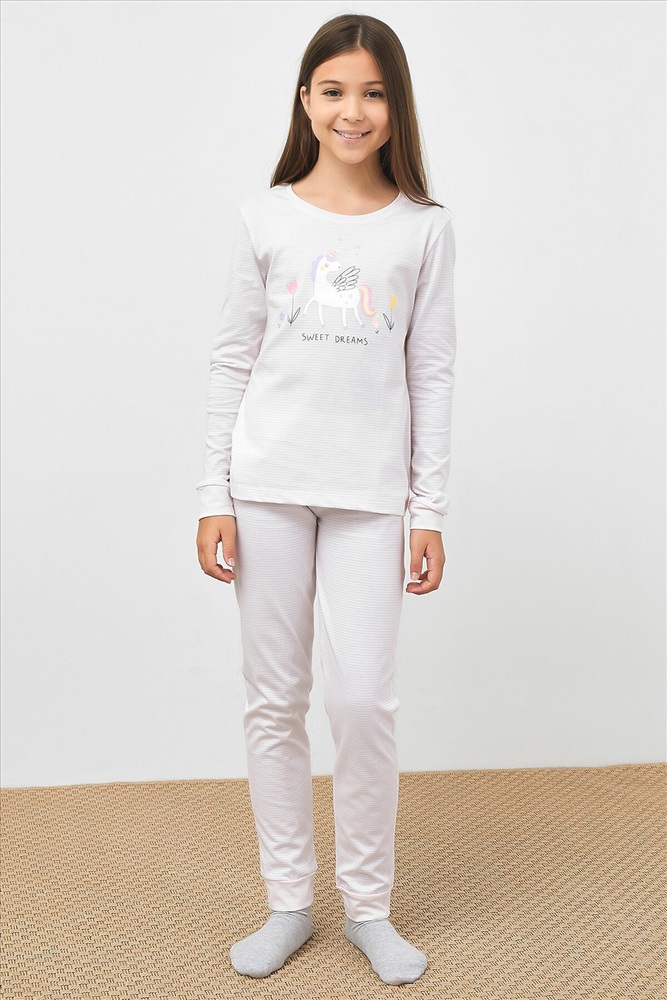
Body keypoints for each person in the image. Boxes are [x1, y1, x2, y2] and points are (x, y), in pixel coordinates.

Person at [195, 12, 456, 987]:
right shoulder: (263, 218)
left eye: (373, 93)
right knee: (275, 699)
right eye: (335, 90)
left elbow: (431, 373)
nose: (354, 110)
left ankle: (369, 907)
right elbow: (231, 359)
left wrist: (427, 511)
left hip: (370, 497)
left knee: (360, 699)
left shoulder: (422, 228)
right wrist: (212, 493)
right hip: (264, 486)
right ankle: (289, 902)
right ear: (306, 100)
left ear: (396, 107)